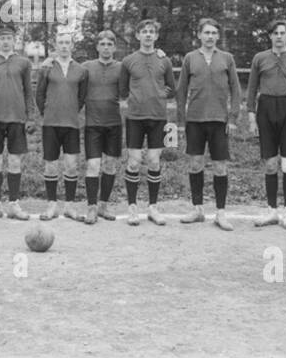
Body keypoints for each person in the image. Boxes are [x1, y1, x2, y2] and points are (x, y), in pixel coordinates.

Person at [177, 18, 242, 231]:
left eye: (214, 33)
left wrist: (232, 118)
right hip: (195, 120)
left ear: (218, 36)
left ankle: (220, 213)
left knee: (220, 166)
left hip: (219, 121)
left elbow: (236, 89)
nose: (210, 36)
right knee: (195, 164)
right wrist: (180, 121)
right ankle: (197, 209)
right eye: (206, 32)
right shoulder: (190, 58)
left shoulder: (227, 58)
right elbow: (181, 91)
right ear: (199, 35)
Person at [247, 20, 286, 230]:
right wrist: (251, 116)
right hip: (265, 108)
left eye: (283, 33)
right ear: (270, 36)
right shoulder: (260, 58)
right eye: (275, 33)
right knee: (270, 163)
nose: (279, 36)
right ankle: (272, 210)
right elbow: (251, 89)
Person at [118, 19, 176, 226]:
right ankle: (132, 207)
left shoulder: (164, 60)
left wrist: (159, 94)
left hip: (158, 117)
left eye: (152, 32)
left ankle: (153, 207)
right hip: (135, 117)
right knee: (134, 161)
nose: (148, 35)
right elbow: (123, 90)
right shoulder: (128, 60)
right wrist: (136, 97)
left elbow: (172, 88)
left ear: (156, 36)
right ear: (138, 36)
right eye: (144, 31)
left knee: (153, 160)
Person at [0, 25, 35, 221]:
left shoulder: (24, 63)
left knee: (14, 161)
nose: (5, 41)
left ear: (14, 41)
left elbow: (29, 92)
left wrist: (30, 117)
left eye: (9, 38)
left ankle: (13, 204)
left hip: (16, 118)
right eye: (2, 38)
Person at [35, 31, 88, 222]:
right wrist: (47, 111)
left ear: (72, 45)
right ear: (56, 45)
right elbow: (39, 95)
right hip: (50, 124)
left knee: (72, 166)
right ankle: (51, 205)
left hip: (71, 124)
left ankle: (70, 206)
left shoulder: (81, 70)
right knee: (51, 166)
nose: (64, 46)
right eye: (61, 43)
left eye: (67, 43)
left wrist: (71, 110)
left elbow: (82, 97)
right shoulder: (47, 68)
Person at [81, 30, 125, 224]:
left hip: (114, 123)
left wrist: (160, 54)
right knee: (93, 165)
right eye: (103, 44)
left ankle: (103, 205)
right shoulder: (86, 67)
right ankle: (91, 207)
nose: (106, 48)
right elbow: (66, 70)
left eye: (110, 44)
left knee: (110, 164)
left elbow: (142, 71)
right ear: (97, 46)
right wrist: (51, 61)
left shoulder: (123, 67)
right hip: (93, 124)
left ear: (114, 47)